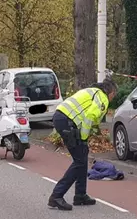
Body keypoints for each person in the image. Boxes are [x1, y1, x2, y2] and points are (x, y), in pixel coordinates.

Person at [48, 79, 117, 210]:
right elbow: (90, 116)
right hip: (67, 121)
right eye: (114, 94)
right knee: (79, 161)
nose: (113, 98)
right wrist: (84, 138)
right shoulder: (102, 98)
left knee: (82, 157)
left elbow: (88, 115)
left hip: (62, 117)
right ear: (111, 92)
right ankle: (56, 196)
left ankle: (80, 195)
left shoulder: (92, 91)